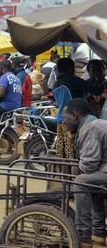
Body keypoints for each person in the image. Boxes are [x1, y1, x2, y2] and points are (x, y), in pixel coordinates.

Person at [64, 99, 107, 248]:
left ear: (75, 115)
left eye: (66, 118)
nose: (65, 123)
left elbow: (88, 165)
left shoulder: (91, 127)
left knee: (81, 182)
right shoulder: (95, 123)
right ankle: (98, 233)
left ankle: (83, 237)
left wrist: (74, 144)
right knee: (92, 182)